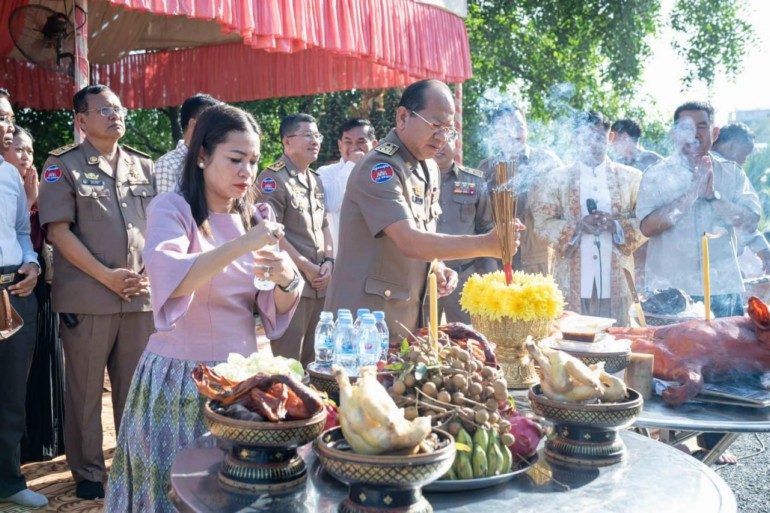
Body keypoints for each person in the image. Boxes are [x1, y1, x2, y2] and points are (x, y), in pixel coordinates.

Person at [105, 104, 302, 512]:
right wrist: (243, 245)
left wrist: (286, 278)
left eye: (252, 160)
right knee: (168, 490)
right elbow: (172, 277)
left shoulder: (256, 216)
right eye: (235, 159)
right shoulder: (172, 209)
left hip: (240, 385)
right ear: (201, 156)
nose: (246, 172)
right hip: (179, 378)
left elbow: (272, 304)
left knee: (232, 492)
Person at [38, 84, 156, 500]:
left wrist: (145, 273)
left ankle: (131, 463)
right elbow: (58, 232)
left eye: (119, 108)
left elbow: (156, 229)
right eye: (104, 110)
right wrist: (107, 276)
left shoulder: (144, 166)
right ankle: (88, 470)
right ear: (81, 120)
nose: (115, 115)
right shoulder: (62, 166)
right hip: (89, 297)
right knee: (86, 390)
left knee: (136, 389)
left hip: (138, 295)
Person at [324, 79, 509, 343]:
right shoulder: (379, 168)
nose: (442, 138)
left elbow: (423, 233)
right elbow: (409, 241)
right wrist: (487, 244)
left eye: (448, 130)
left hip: (405, 319)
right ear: (402, 117)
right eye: (435, 126)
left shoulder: (427, 167)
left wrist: (437, 265)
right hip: (362, 322)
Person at [637, 102, 762, 466]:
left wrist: (713, 196)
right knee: (673, 368)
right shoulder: (658, 174)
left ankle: (711, 440)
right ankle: (672, 442)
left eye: (703, 126)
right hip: (672, 294)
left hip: (721, 287)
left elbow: (751, 221)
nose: (695, 134)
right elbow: (646, 227)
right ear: (676, 133)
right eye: (686, 127)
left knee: (723, 370)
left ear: (715, 132)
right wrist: (691, 193)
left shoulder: (732, 174)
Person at [532, 111, 645, 326]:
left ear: (610, 138)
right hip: (571, 279)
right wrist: (576, 228)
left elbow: (645, 222)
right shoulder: (557, 178)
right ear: (575, 139)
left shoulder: (631, 178)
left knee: (615, 341)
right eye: (586, 139)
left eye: (599, 138)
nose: (593, 145)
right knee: (572, 341)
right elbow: (541, 223)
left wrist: (617, 227)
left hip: (617, 281)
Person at [2, 126, 65, 464]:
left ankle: (28, 458)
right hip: (12, 285)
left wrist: (34, 263)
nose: (24, 156)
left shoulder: (27, 184)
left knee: (27, 379)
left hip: (29, 287)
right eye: (17, 148)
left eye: (29, 149)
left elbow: (33, 236)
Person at [0, 88, 47, 508]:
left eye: (9, 118)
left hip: (13, 290)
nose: (6, 125)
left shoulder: (9, 175)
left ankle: (9, 484)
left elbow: (19, 232)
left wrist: (32, 263)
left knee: (11, 392)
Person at [259, 113, 333, 366]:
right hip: (290, 286)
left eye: (318, 136)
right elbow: (271, 235)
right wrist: (307, 267)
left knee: (317, 361)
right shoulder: (272, 179)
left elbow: (324, 225)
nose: (316, 141)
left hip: (319, 283)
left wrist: (329, 261)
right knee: (289, 363)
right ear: (287, 142)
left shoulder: (316, 180)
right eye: (308, 135)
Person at [477, 106, 563, 275]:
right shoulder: (486, 169)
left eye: (518, 125)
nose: (513, 132)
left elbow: (567, 205)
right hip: (499, 265)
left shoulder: (547, 161)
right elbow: (479, 222)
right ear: (495, 134)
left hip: (541, 262)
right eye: (505, 127)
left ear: (527, 129)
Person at [434, 138, 496, 323]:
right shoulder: (414, 179)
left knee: (466, 338)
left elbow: (485, 228)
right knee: (421, 337)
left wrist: (491, 278)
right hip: (427, 277)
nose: (440, 146)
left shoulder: (473, 181)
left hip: (464, 278)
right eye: (435, 141)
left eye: (446, 141)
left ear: (457, 144)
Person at [609, 119, 663, 288]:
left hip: (652, 235)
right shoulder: (618, 165)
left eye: (614, 139)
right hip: (626, 235)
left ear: (624, 136)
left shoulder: (653, 162)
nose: (612, 145)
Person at [317, 118, 377, 256]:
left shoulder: (380, 175)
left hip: (374, 261)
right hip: (338, 261)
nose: (354, 148)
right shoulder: (325, 173)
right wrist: (351, 166)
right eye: (348, 142)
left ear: (374, 144)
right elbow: (330, 204)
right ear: (339, 145)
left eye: (361, 142)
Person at [155, 93, 221, 193]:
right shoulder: (167, 165)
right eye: (212, 123)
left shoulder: (216, 161)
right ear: (193, 124)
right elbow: (162, 207)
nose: (217, 129)